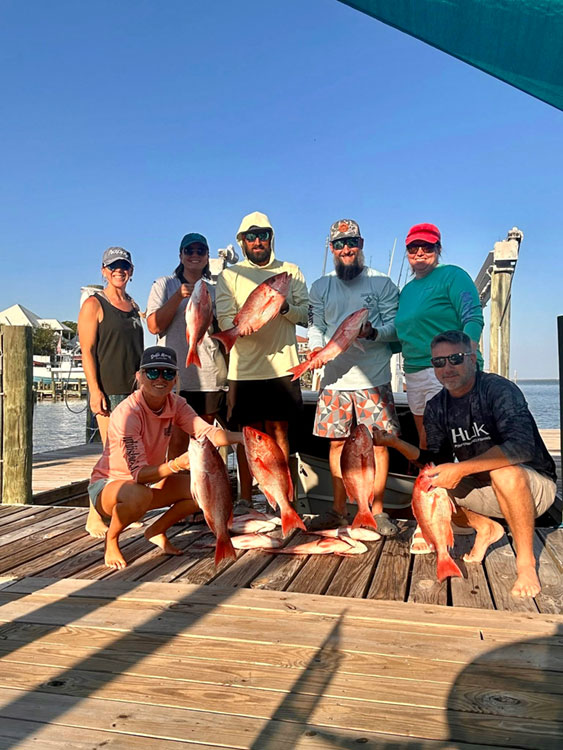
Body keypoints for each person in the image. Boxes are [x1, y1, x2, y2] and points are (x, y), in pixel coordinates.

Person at [373, 330, 557, 598]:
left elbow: (521, 447)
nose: (447, 368)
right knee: (431, 482)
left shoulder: (498, 390)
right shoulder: (436, 406)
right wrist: (394, 443)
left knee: (504, 472)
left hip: (533, 487)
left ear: (472, 359)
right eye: (439, 362)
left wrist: (461, 469)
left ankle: (526, 563)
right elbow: (435, 459)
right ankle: (486, 528)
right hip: (485, 486)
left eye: (455, 359)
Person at [88, 346, 243, 570]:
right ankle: (111, 540)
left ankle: (156, 530)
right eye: (152, 372)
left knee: (199, 492)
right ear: (139, 376)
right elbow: (139, 475)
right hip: (109, 487)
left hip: (146, 483)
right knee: (137, 493)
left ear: (175, 378)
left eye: (168, 373)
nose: (160, 378)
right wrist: (177, 464)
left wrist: (245, 438)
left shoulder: (176, 404)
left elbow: (206, 432)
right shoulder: (127, 413)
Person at [306, 219, 401, 532]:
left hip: (373, 378)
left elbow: (395, 326)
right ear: (331, 248)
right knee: (336, 445)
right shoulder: (320, 287)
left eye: (352, 242)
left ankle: (377, 510)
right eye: (339, 244)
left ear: (361, 244)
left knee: (379, 446)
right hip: (334, 380)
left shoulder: (383, 283)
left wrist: (374, 332)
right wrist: (317, 351)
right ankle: (337, 510)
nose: (346, 249)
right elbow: (316, 326)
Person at [394, 223, 484, 552]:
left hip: (450, 367)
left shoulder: (452, 276)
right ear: (407, 252)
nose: (420, 253)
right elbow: (401, 335)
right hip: (417, 371)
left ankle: (472, 515)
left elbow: (472, 314)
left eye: (427, 247)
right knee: (427, 442)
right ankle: (431, 514)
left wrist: (468, 353)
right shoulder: (407, 292)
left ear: (438, 249)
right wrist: (370, 337)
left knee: (461, 442)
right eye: (414, 248)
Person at [215, 211, 308, 509]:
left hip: (283, 367)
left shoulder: (290, 271)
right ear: (241, 242)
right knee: (248, 438)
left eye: (263, 235)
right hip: (244, 371)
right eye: (251, 236)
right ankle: (245, 498)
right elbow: (225, 317)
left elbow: (307, 314)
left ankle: (282, 501)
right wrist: (242, 326)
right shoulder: (229, 275)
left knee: (281, 434)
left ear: (271, 238)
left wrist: (282, 308)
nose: (258, 241)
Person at [78, 246, 144, 539]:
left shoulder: (133, 304)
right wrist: (95, 390)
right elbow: (87, 351)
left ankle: (121, 510)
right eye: (113, 266)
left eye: (124, 266)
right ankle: (94, 516)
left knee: (130, 457)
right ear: (104, 271)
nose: (119, 271)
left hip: (134, 394)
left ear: (131, 271)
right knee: (111, 456)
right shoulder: (94, 303)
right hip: (109, 390)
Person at [146, 232, 227, 461]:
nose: (194, 255)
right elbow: (153, 326)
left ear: (207, 256)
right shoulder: (164, 284)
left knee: (205, 440)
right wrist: (177, 298)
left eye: (200, 251)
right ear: (180, 255)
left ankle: (202, 493)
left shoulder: (215, 289)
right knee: (177, 441)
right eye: (189, 251)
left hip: (208, 375)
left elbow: (221, 332)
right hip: (174, 377)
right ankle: (177, 491)